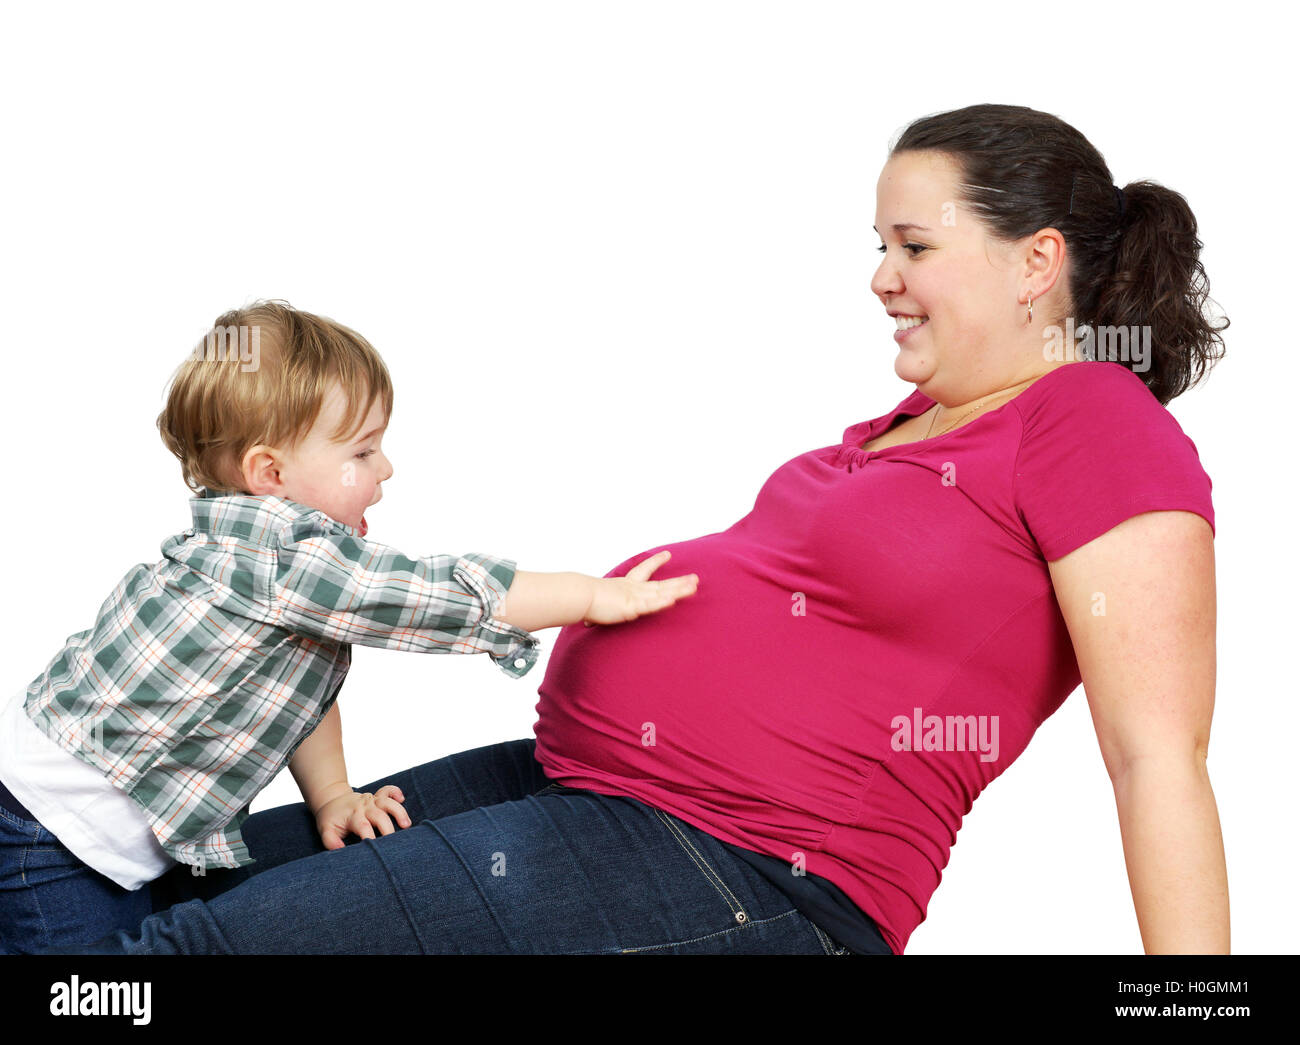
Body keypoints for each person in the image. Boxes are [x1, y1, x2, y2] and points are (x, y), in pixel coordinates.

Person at [36, 101, 1229, 955]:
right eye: (878, 245)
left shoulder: (1091, 414)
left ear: (1037, 265)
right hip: (589, 785)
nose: (880, 276)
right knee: (162, 890)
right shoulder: (908, 425)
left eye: (914, 246)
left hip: (745, 864)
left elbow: (1155, 754)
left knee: (175, 956)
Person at [0, 301, 699, 954]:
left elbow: (298, 690)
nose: (386, 468)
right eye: (362, 452)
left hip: (76, 828)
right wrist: (588, 596)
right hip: (50, 838)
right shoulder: (280, 558)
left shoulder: (279, 575)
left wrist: (333, 796)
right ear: (269, 471)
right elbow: (428, 593)